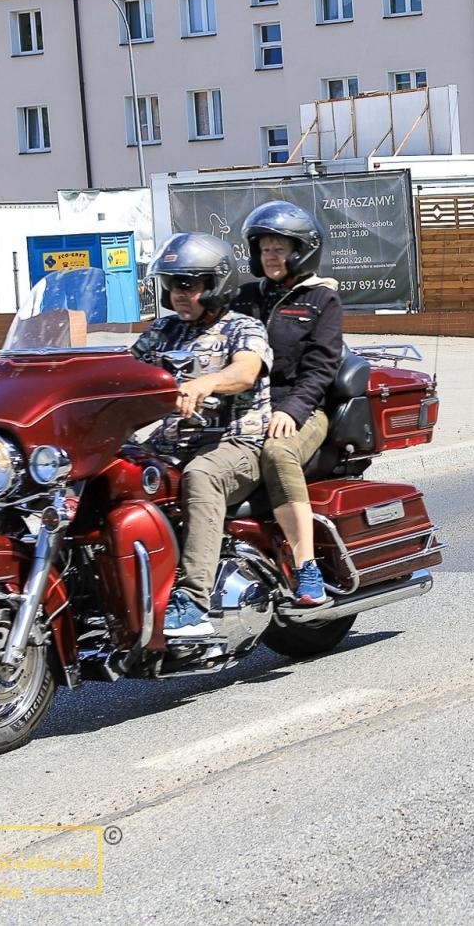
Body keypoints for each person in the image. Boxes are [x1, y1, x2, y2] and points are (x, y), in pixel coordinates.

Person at [131, 232, 272, 637]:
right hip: (171, 444)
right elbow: (124, 372)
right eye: (172, 284)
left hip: (236, 443)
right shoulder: (163, 331)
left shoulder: (243, 328)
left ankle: (193, 602)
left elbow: (245, 370)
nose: (178, 293)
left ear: (215, 285)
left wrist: (205, 383)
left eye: (188, 284)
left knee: (201, 476)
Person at [233, 201, 346, 607]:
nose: (271, 256)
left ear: (302, 250)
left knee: (278, 452)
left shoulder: (320, 300)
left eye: (280, 248)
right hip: (244, 409)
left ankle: (306, 567)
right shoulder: (245, 298)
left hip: (302, 409)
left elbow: (321, 368)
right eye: (264, 248)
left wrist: (292, 410)